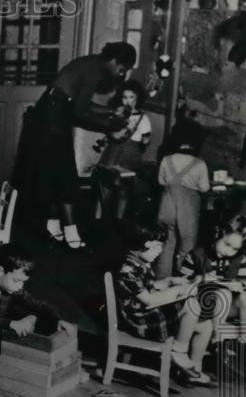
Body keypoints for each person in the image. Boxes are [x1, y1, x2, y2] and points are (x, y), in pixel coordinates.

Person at [17, 42, 137, 249]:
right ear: (114, 60)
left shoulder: (92, 64)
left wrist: (110, 111)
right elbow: (79, 113)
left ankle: (53, 228)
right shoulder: (94, 71)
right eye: (121, 69)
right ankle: (70, 231)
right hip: (52, 122)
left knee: (54, 177)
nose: (120, 74)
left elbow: (81, 104)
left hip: (50, 117)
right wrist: (111, 124)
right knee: (65, 176)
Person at [114, 222, 216, 386]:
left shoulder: (140, 263)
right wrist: (181, 290)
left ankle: (194, 370)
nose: (160, 251)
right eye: (156, 247)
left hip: (147, 311)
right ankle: (179, 351)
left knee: (205, 326)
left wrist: (169, 281)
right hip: (139, 319)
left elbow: (151, 286)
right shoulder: (128, 270)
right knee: (191, 306)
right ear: (142, 246)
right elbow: (149, 300)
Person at [0, 243, 69, 385]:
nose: (20, 286)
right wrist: (10, 324)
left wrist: (57, 319)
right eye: (17, 281)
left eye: (23, 282)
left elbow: (36, 304)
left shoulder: (13, 287)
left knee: (34, 319)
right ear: (0, 271)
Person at [178, 215, 246, 357]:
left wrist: (240, 284)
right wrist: (200, 279)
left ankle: (244, 342)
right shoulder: (196, 255)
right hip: (201, 305)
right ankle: (217, 340)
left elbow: (244, 282)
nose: (229, 251)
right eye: (227, 245)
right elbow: (179, 281)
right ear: (217, 235)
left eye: (235, 249)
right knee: (223, 294)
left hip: (229, 308)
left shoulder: (239, 258)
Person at [155, 119, 211, 279]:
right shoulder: (200, 163)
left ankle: (161, 280)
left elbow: (161, 181)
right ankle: (180, 283)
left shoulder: (167, 159)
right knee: (187, 248)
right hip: (188, 209)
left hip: (167, 205)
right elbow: (204, 188)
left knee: (168, 243)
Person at [93, 79, 152, 222]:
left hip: (129, 155)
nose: (128, 101)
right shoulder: (116, 114)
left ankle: (119, 221)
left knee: (123, 190)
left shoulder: (143, 118)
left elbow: (145, 140)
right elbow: (109, 132)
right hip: (112, 153)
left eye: (131, 97)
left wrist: (138, 148)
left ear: (138, 98)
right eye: (125, 97)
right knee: (104, 188)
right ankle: (97, 220)